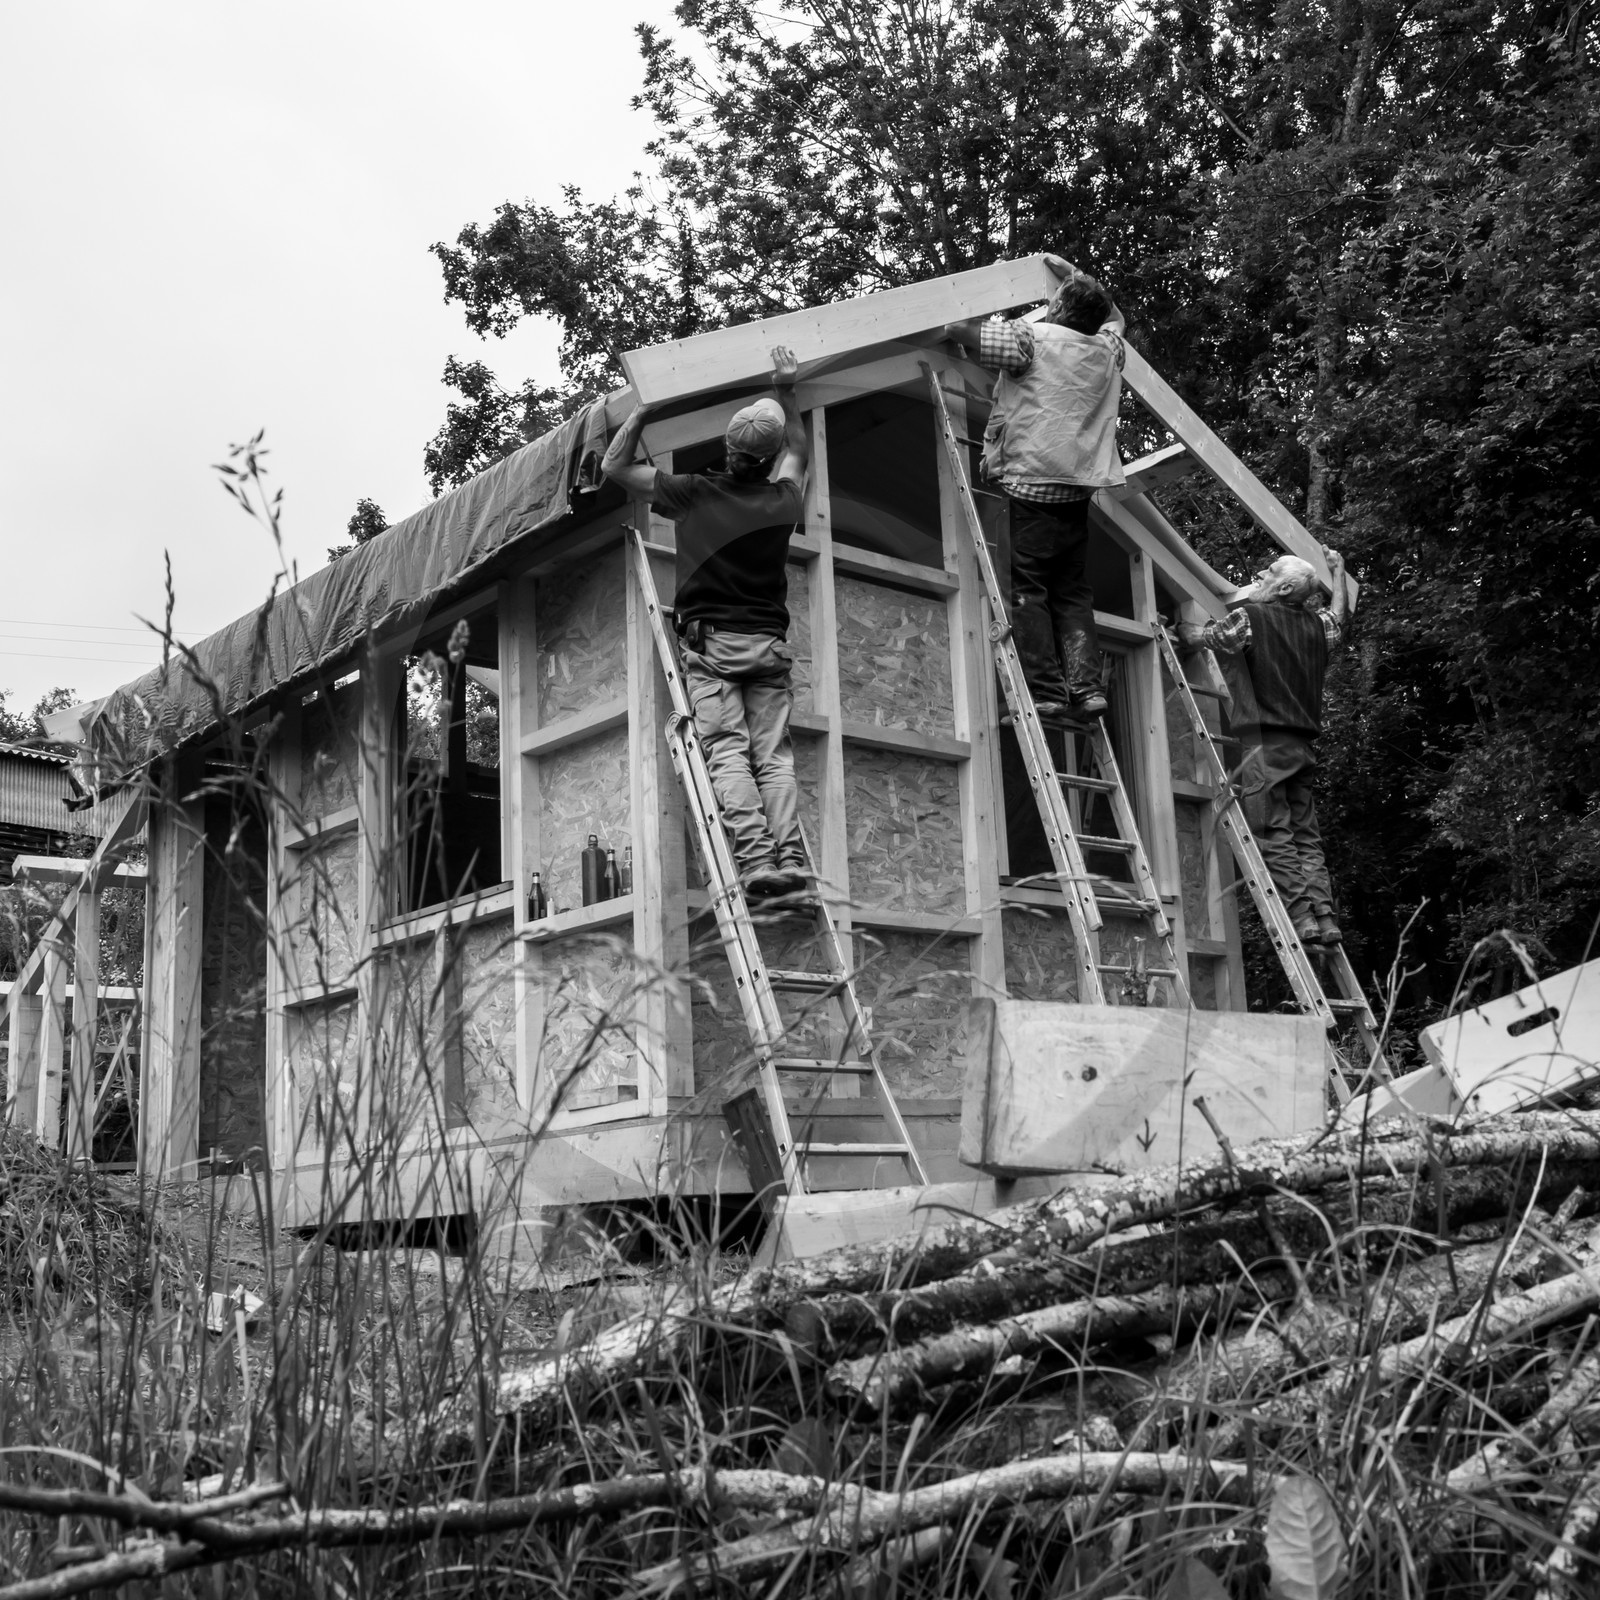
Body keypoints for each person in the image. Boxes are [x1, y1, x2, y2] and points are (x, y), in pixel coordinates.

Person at [602, 347, 809, 898]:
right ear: (765, 461)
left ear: (729, 449)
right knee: (774, 759)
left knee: (728, 755)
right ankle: (791, 860)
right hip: (768, 648)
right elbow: (799, 450)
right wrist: (786, 390)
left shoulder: (694, 493)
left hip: (713, 649)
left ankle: (760, 864)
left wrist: (642, 412)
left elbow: (615, 467)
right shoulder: (785, 501)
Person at [946, 258, 1127, 720]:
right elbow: (1116, 319)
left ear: (1058, 307)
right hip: (1078, 488)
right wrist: (1077, 276)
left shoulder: (1029, 341)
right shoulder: (1108, 349)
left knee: (1027, 591)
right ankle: (1087, 690)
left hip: (1030, 484)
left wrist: (994, 280)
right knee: (1072, 593)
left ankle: (1045, 692)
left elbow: (959, 326)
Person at [1177, 548, 1352, 947]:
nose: (1259, 571)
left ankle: (1302, 919)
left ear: (1286, 587)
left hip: (1264, 746)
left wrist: (1185, 632)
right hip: (1302, 748)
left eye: (1269, 571)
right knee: (1305, 835)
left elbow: (1202, 638)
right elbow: (1339, 618)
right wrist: (1339, 574)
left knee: (1272, 830)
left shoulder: (1249, 618)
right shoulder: (1317, 627)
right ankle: (1325, 918)